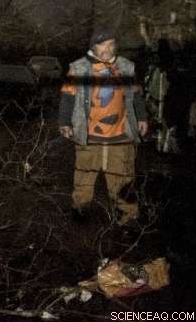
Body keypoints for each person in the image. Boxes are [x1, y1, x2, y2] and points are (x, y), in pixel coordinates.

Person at [59, 28, 148, 225]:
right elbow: (67, 96)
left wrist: (141, 118)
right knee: (84, 173)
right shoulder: (78, 68)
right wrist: (64, 122)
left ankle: (128, 216)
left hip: (121, 133)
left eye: (110, 44)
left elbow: (137, 95)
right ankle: (80, 210)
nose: (107, 49)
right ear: (94, 47)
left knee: (123, 176)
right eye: (102, 45)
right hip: (89, 133)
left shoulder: (126, 67)